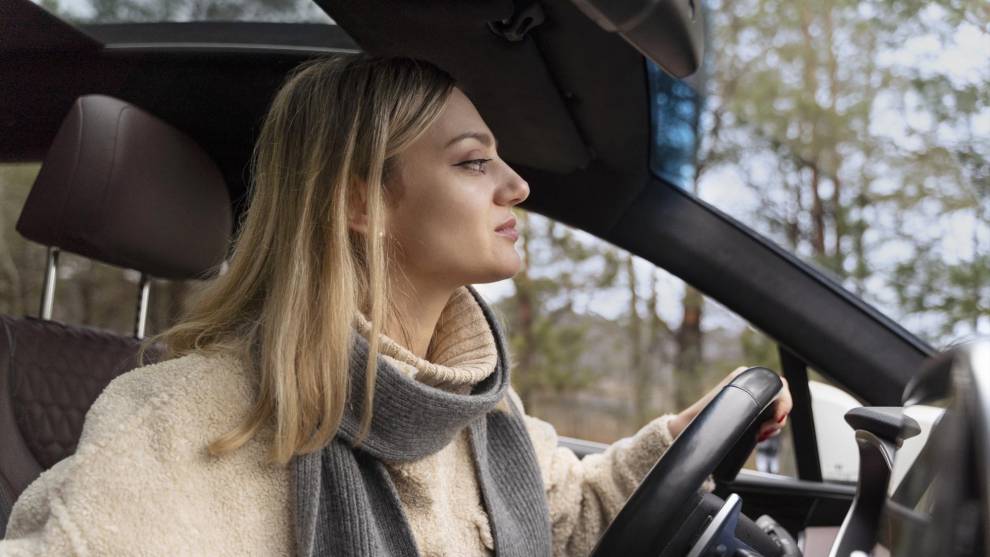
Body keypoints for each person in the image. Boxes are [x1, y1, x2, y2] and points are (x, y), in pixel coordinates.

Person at [0, 54, 791, 557]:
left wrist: (675, 443)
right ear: (360, 201)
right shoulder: (183, 418)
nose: (517, 185)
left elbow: (563, 523)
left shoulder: (478, 408)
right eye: (473, 161)